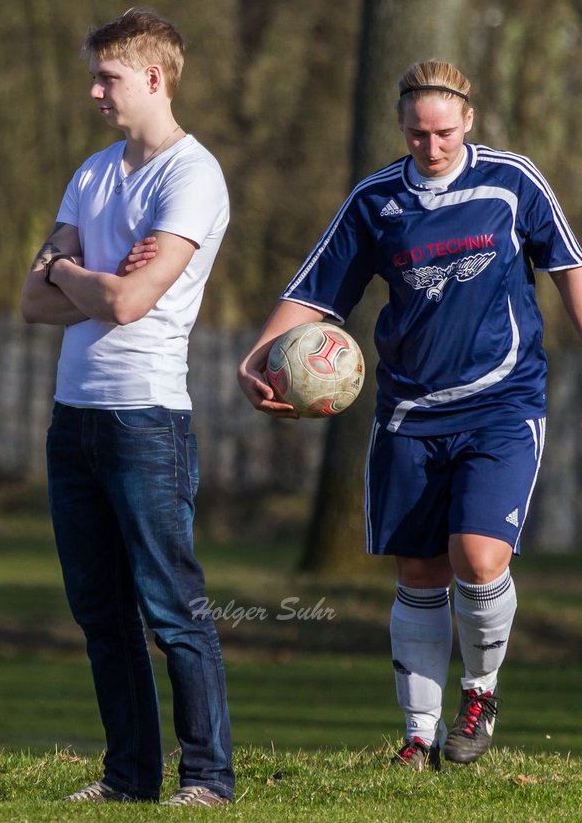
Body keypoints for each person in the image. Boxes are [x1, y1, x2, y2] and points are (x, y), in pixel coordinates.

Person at [238, 60, 582, 769]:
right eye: (417, 134)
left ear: (469, 121)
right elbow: (317, 289)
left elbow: (569, 271)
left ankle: (479, 695)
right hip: (408, 413)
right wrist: (261, 356)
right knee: (419, 574)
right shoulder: (376, 201)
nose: (431, 147)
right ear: (401, 127)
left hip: (502, 402)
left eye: (444, 132)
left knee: (477, 558)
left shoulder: (513, 182)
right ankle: (419, 736)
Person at [19, 9, 234, 807]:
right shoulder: (93, 171)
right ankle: (128, 777)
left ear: (154, 77)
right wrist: (94, 281)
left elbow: (130, 301)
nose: (94, 91)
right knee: (99, 612)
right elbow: (31, 305)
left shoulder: (192, 175)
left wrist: (77, 271)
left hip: (146, 420)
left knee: (172, 609)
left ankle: (208, 778)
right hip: (71, 416)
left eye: (107, 77)